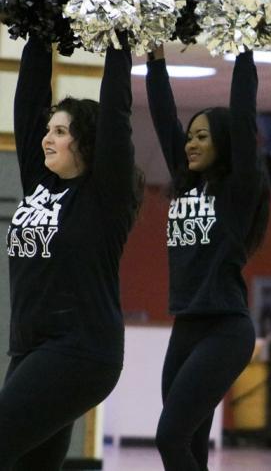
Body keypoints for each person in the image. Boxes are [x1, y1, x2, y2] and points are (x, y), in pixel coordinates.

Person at [1, 29, 142, 470]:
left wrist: (120, 45)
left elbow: (118, 116)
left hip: (80, 350)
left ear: (85, 141)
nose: (47, 138)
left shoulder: (104, 198)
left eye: (60, 132)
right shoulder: (40, 182)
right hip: (32, 348)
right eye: (49, 130)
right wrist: (38, 30)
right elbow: (26, 104)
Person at [146, 44, 271, 470]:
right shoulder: (184, 185)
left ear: (225, 143)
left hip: (226, 329)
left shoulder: (237, 190)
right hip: (186, 327)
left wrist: (243, 50)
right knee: (190, 444)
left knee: (169, 437)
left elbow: (243, 115)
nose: (190, 144)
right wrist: (155, 59)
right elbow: (165, 120)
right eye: (190, 137)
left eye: (202, 137)